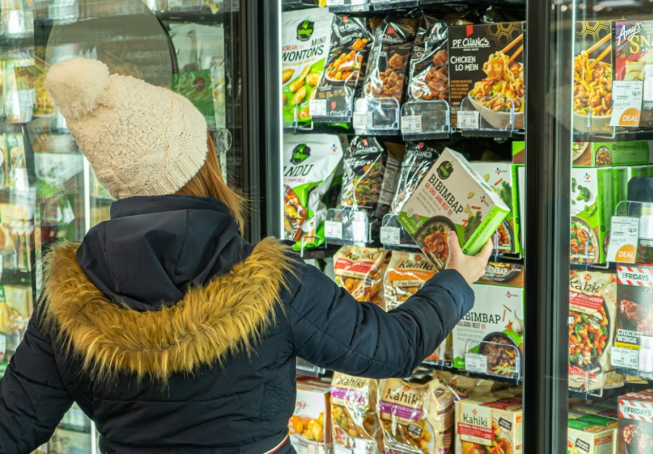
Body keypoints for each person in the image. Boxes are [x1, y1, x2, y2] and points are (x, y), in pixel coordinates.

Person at [0, 57, 492, 454]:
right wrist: (456, 279)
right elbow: (390, 347)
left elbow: (12, 427)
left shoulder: (69, 303)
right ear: (202, 160)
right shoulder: (270, 283)